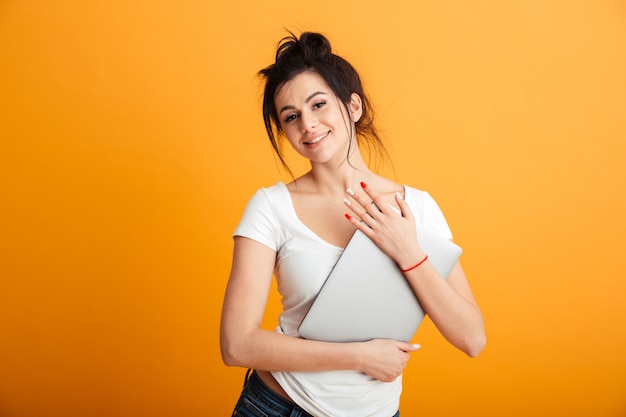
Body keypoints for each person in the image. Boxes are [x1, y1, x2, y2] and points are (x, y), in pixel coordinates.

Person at [220, 31, 486, 417]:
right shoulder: (271, 207)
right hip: (279, 406)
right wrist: (359, 356)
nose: (308, 124)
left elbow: (472, 338)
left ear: (353, 106)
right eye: (291, 117)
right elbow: (236, 344)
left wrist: (408, 251)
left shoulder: (417, 209)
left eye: (319, 104)